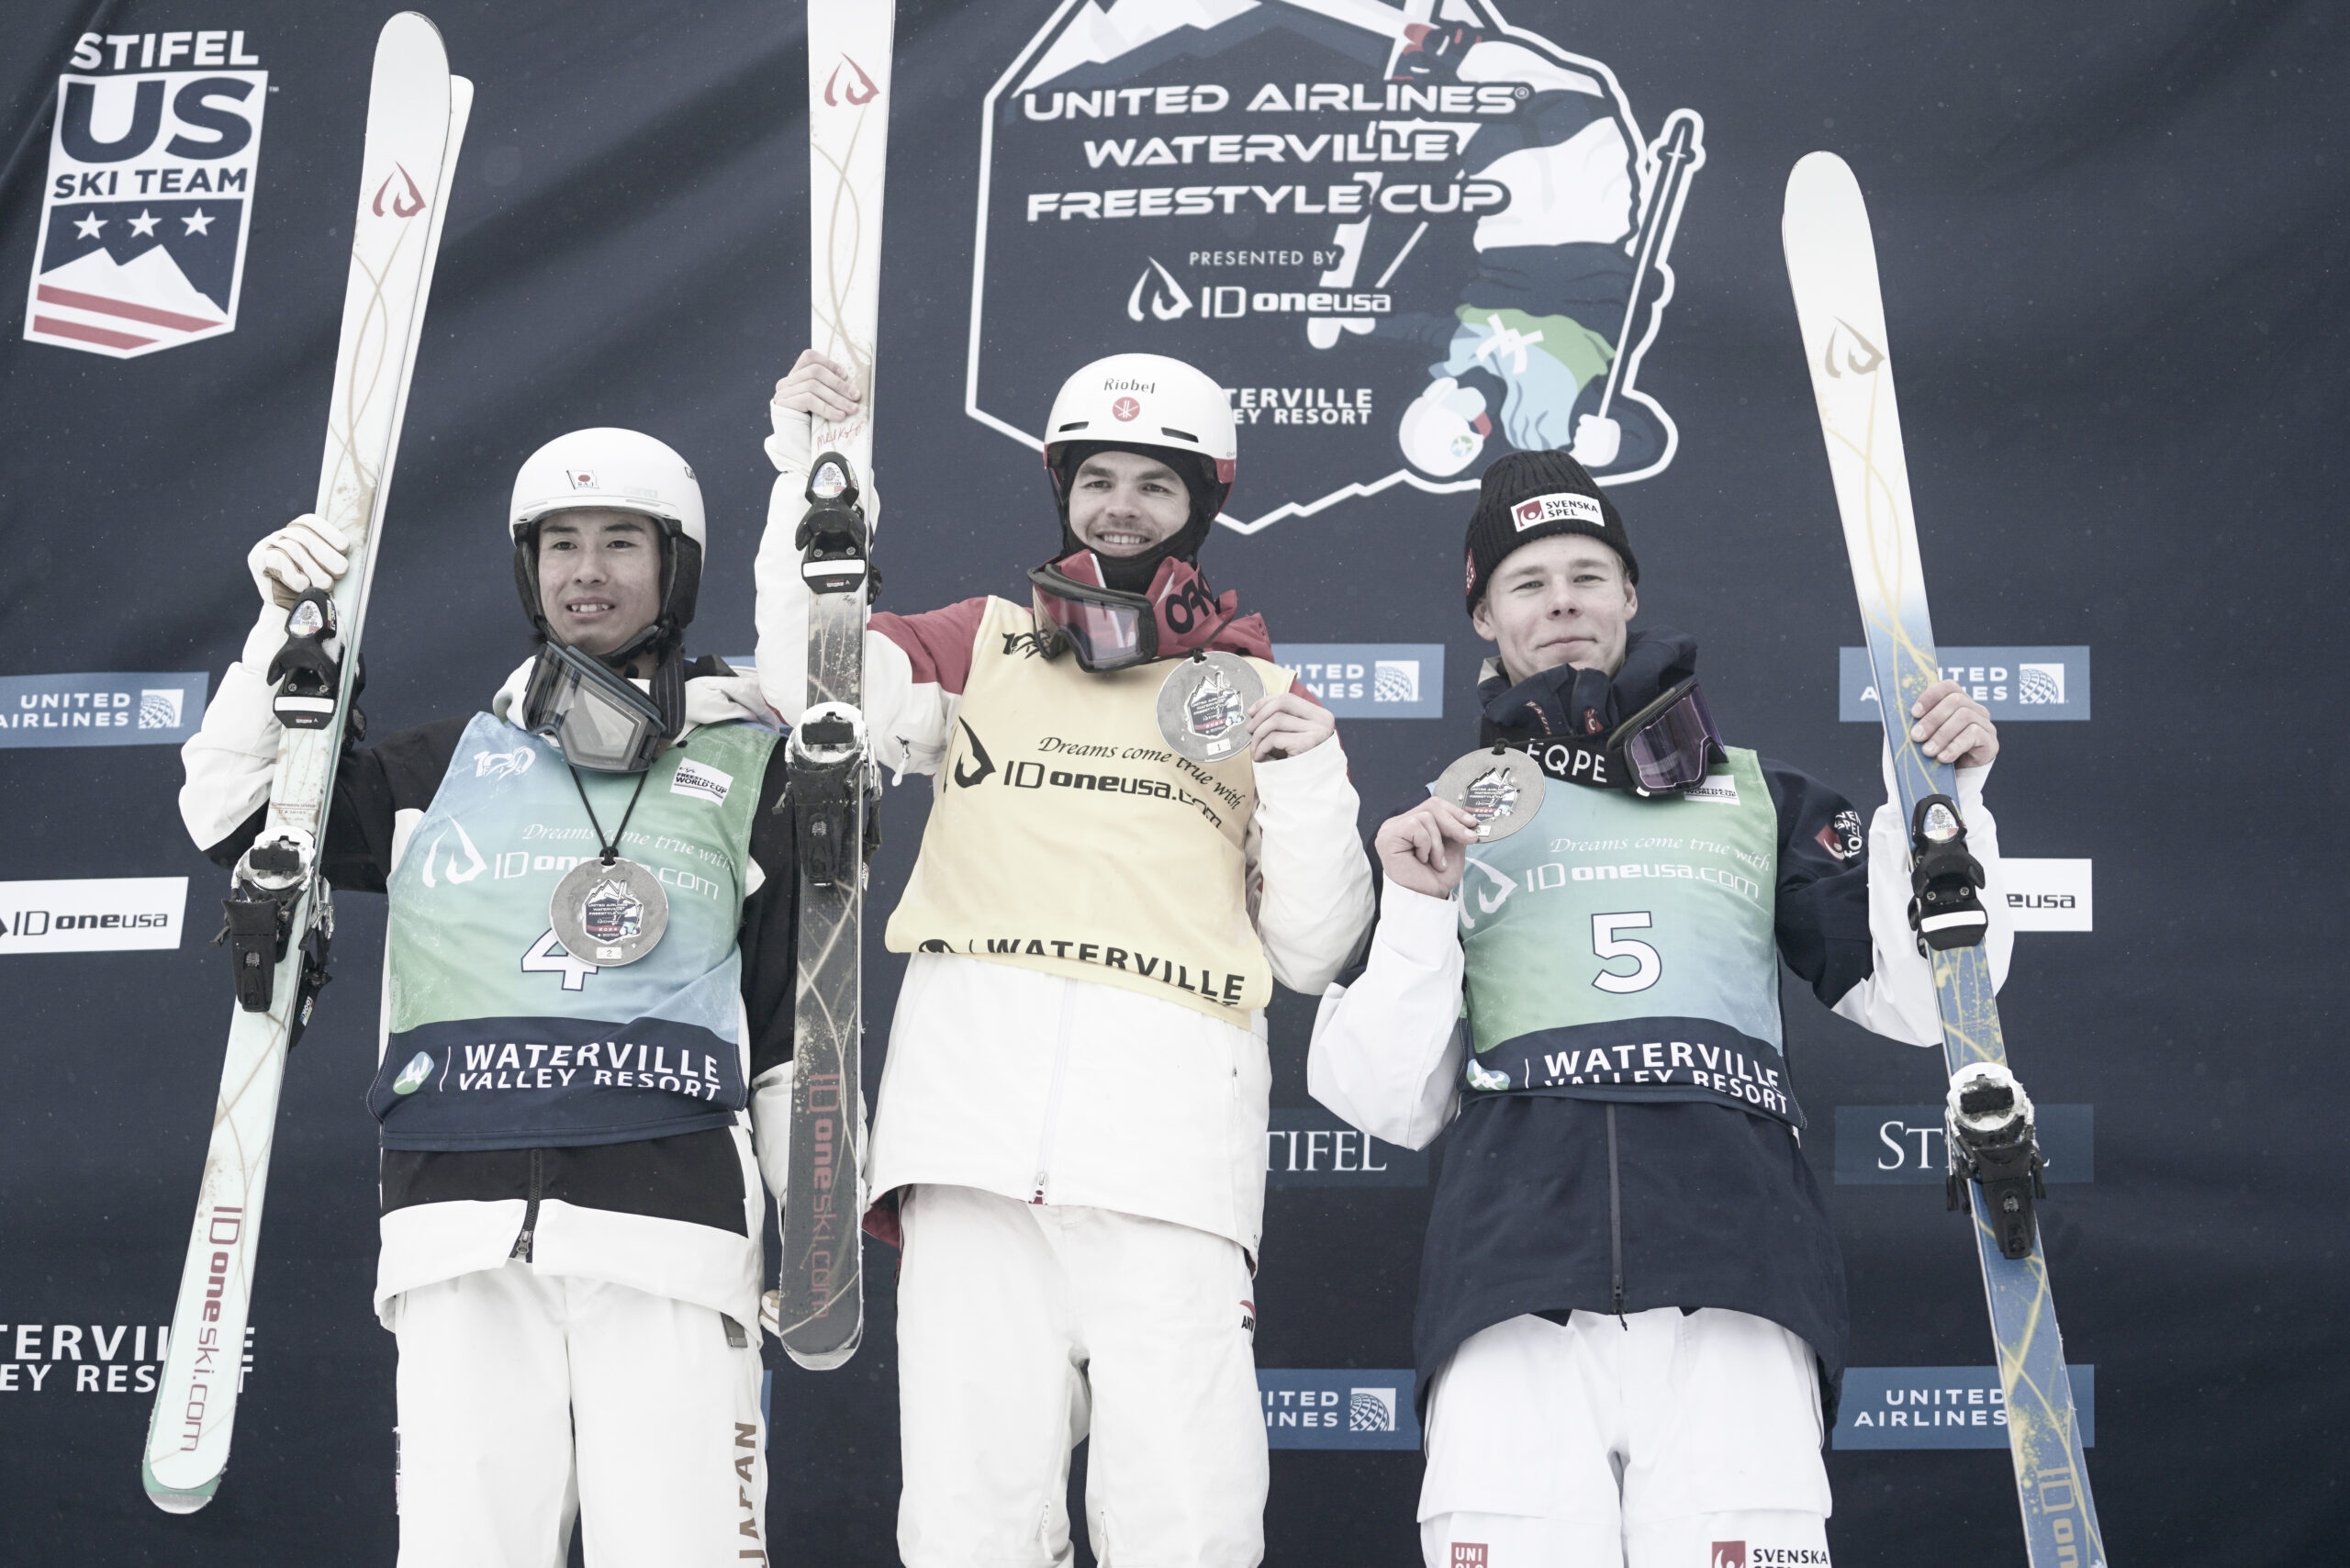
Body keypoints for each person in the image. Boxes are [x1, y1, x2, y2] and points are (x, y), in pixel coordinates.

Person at [1306, 450, 2016, 1568]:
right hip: (1511, 1287)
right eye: (1528, 582)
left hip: (1736, 1275)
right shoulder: (1440, 826)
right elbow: (1388, 1098)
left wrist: (1942, 808)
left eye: (1589, 574)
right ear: (1483, 616)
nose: (1563, 603)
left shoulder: (1756, 795)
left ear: (1630, 596)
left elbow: (1924, 1004)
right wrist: (1413, 909)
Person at [758, 350, 1376, 1568]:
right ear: (1062, 490)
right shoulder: (978, 644)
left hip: (1171, 1161)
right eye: (1099, 478)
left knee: (1183, 1518)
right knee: (971, 1516)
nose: (1123, 506)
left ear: (1203, 502)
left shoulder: (1255, 689)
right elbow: (812, 679)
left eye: (1155, 483)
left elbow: (1315, 944)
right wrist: (810, 477)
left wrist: (1310, 775)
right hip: (973, 1149)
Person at [179, 429, 796, 1567]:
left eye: (621, 542)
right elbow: (229, 814)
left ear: (677, 567)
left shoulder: (752, 765)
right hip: (455, 1220)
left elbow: (785, 1014)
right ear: (528, 569)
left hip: (669, 1221)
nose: (587, 571)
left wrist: (804, 1222)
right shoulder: (442, 767)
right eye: (560, 544)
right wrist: (284, 624)